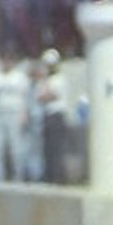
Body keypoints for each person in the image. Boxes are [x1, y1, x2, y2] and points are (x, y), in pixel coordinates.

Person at [0, 49, 28, 182]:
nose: (6, 62)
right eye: (4, 59)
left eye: (9, 59)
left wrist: (24, 114)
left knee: (16, 147)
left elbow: (25, 97)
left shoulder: (19, 77)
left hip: (14, 113)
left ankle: (18, 176)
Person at [37, 49, 68, 185]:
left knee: (57, 148)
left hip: (56, 115)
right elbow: (39, 97)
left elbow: (50, 95)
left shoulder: (59, 79)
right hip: (47, 114)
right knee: (47, 148)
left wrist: (44, 85)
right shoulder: (46, 80)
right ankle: (48, 176)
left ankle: (58, 178)